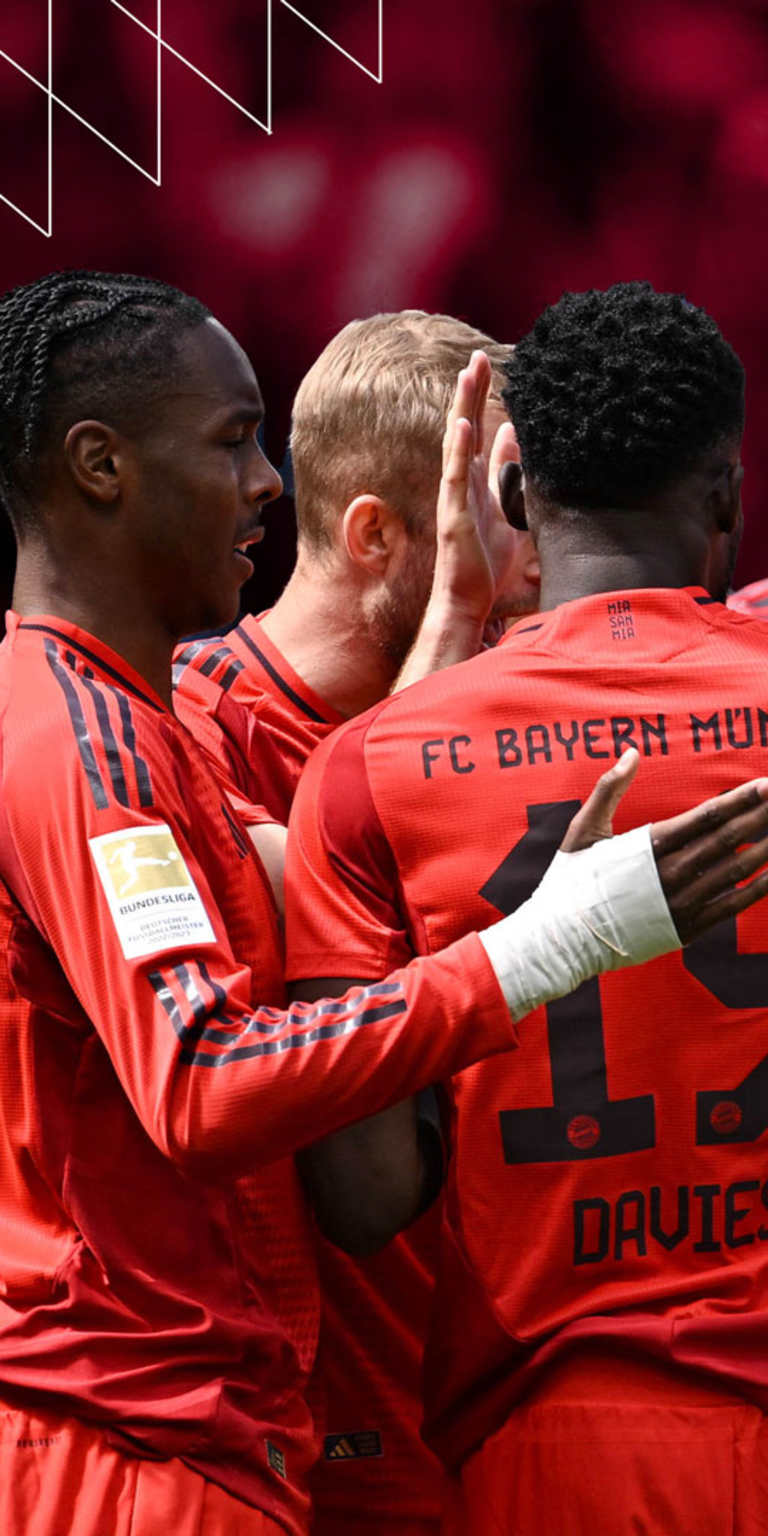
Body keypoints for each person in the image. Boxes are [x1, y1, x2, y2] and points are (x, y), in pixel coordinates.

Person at [0, 269, 753, 1536]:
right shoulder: (132, 737)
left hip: (276, 1431)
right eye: (235, 444)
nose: (263, 485)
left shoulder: (144, 732)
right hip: (143, 1433)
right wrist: (547, 939)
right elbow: (208, 1078)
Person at [285, 281, 768, 1535]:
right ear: (727, 497)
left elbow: (363, 1195)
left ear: (511, 492)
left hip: (559, 1446)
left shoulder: (371, 770)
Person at [173, 309, 540, 1536]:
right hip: (297, 1446)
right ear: (376, 533)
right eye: (500, 509)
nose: (533, 561)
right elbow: (336, 886)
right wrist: (455, 623)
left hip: (488, 1415)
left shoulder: (511, 703)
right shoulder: (185, 727)